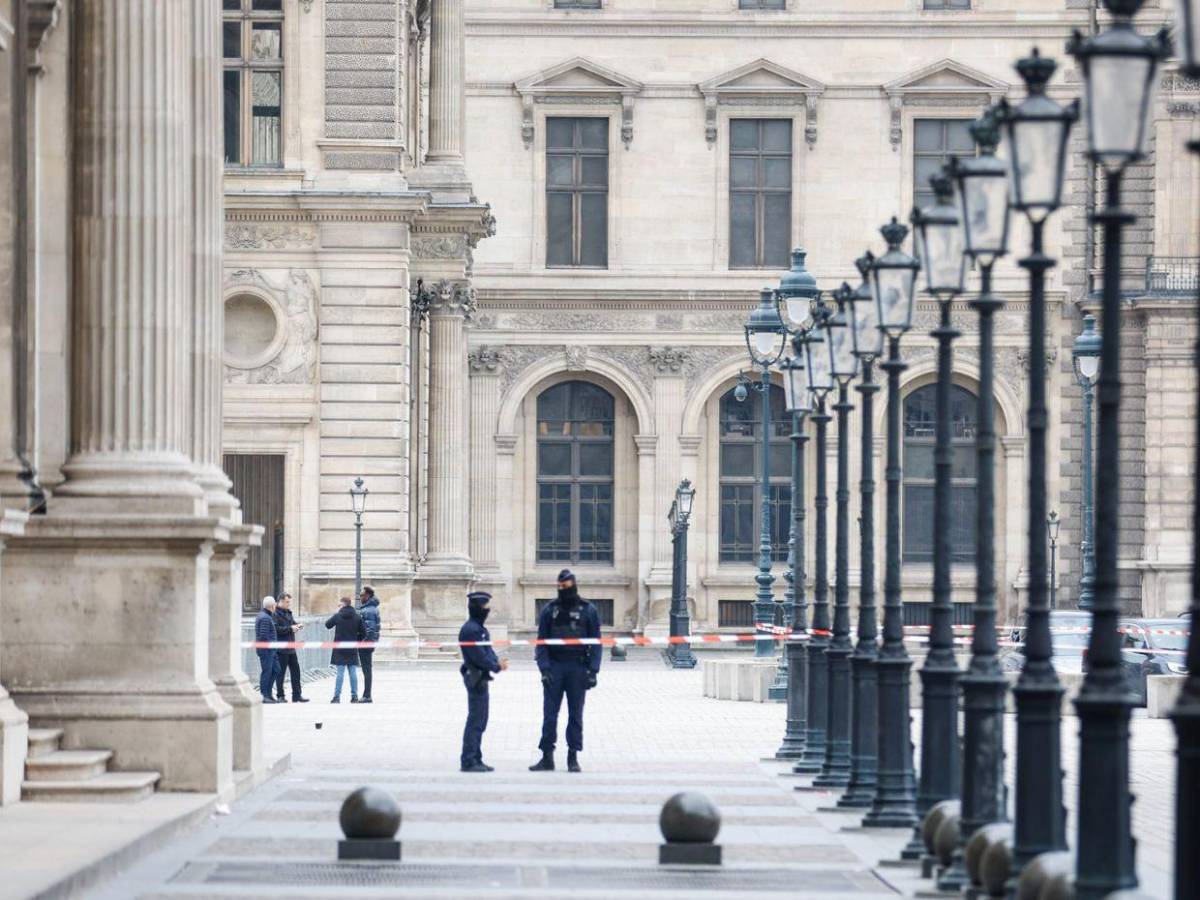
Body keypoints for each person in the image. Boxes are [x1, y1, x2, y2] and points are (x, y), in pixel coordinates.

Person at [530, 569, 601, 773]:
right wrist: (544, 669)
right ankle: (547, 757)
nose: (564, 590)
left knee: (575, 715)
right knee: (550, 715)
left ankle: (573, 756)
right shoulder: (549, 610)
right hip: (555, 667)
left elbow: (595, 643)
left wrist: (593, 671)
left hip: (578, 668)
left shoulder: (588, 610)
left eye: (567, 586)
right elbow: (541, 642)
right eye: (561, 587)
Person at [458, 591, 508, 773]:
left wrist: (496, 662)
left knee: (481, 719)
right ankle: (469, 760)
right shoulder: (471, 630)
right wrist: (496, 666)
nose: (487, 610)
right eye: (485, 606)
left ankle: (476, 757)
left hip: (481, 677)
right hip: (475, 677)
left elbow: (488, 651)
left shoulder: (478, 628)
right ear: (477, 608)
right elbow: (479, 656)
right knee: (476, 720)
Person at [325, 596, 365, 703]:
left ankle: (337, 697)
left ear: (343, 605)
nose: (338, 607)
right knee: (352, 672)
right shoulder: (357, 617)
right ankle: (354, 696)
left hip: (340, 648)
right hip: (352, 647)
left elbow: (327, 625)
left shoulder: (338, 616)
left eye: (339, 605)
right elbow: (363, 633)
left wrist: (336, 613)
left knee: (340, 673)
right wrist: (357, 640)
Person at [272, 593, 308, 703]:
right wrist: (290, 628)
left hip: (291, 647)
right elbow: (276, 629)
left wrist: (297, 625)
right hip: (281, 648)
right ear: (281, 602)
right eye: (287, 602)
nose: (289, 604)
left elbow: (292, 623)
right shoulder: (275, 614)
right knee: (280, 673)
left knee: (296, 672)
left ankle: (297, 695)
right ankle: (280, 695)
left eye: (289, 602)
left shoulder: (288, 612)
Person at [356, 586, 381, 704]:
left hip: (365, 644)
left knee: (366, 670)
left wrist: (363, 642)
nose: (360, 597)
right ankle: (367, 694)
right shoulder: (369, 608)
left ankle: (367, 695)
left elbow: (370, 629)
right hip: (367, 643)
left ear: (368, 596)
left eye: (362, 595)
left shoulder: (369, 610)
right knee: (366, 669)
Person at [255, 596, 280, 704]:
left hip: (271, 650)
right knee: (267, 671)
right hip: (266, 650)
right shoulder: (265, 617)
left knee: (276, 669)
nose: (275, 607)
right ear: (271, 606)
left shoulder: (267, 616)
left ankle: (269, 694)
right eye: (274, 605)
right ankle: (264, 695)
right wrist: (271, 646)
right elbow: (263, 635)